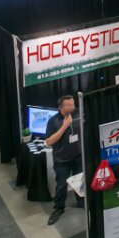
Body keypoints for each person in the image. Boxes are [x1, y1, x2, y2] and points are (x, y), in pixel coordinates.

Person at [44, 95, 82, 224]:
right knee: (61, 185)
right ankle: (59, 208)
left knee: (80, 181)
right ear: (61, 107)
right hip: (62, 160)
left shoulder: (78, 114)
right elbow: (49, 141)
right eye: (69, 105)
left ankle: (82, 201)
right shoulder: (53, 121)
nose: (73, 107)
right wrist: (65, 126)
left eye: (73, 104)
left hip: (78, 156)